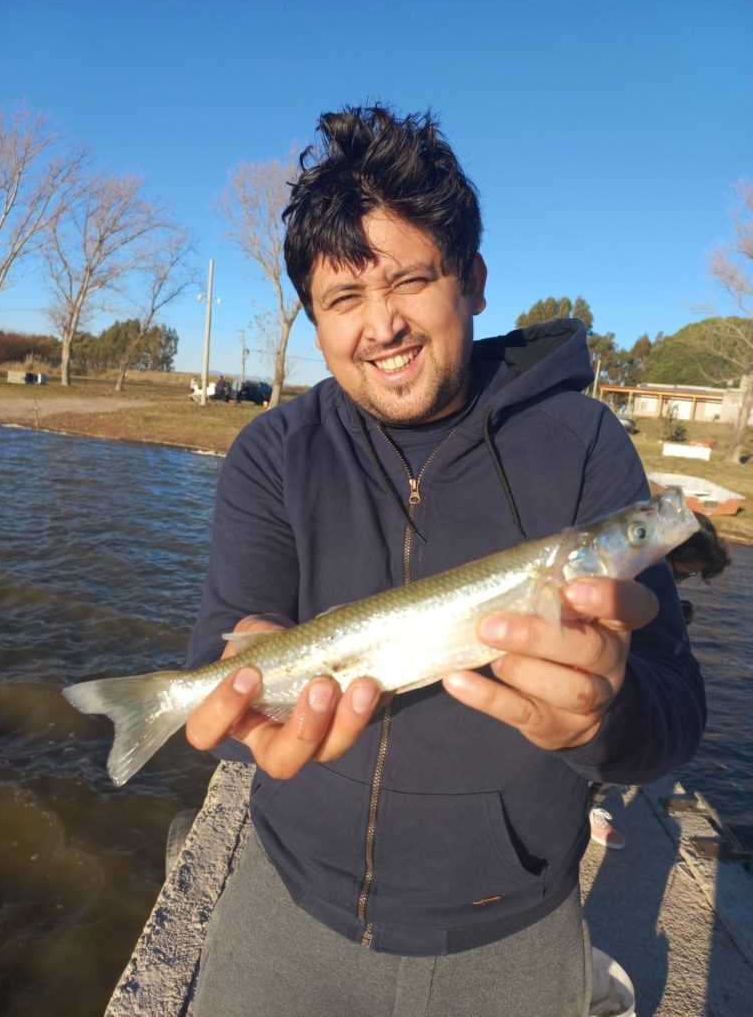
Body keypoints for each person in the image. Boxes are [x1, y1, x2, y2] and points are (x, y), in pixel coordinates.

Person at [183, 105, 705, 1017]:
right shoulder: (272, 451)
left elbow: (676, 713)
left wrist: (602, 717)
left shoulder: (583, 444)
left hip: (514, 930)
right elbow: (222, 655)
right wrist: (236, 689)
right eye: (345, 300)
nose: (381, 325)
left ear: (472, 280)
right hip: (286, 903)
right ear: (315, 320)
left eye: (412, 281)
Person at [587, 512, 730, 850]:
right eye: (686, 572)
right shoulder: (629, 567)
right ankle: (584, 806)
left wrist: (674, 614)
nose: (683, 579)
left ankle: (590, 802)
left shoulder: (656, 578)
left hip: (630, 670)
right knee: (615, 732)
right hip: (608, 670)